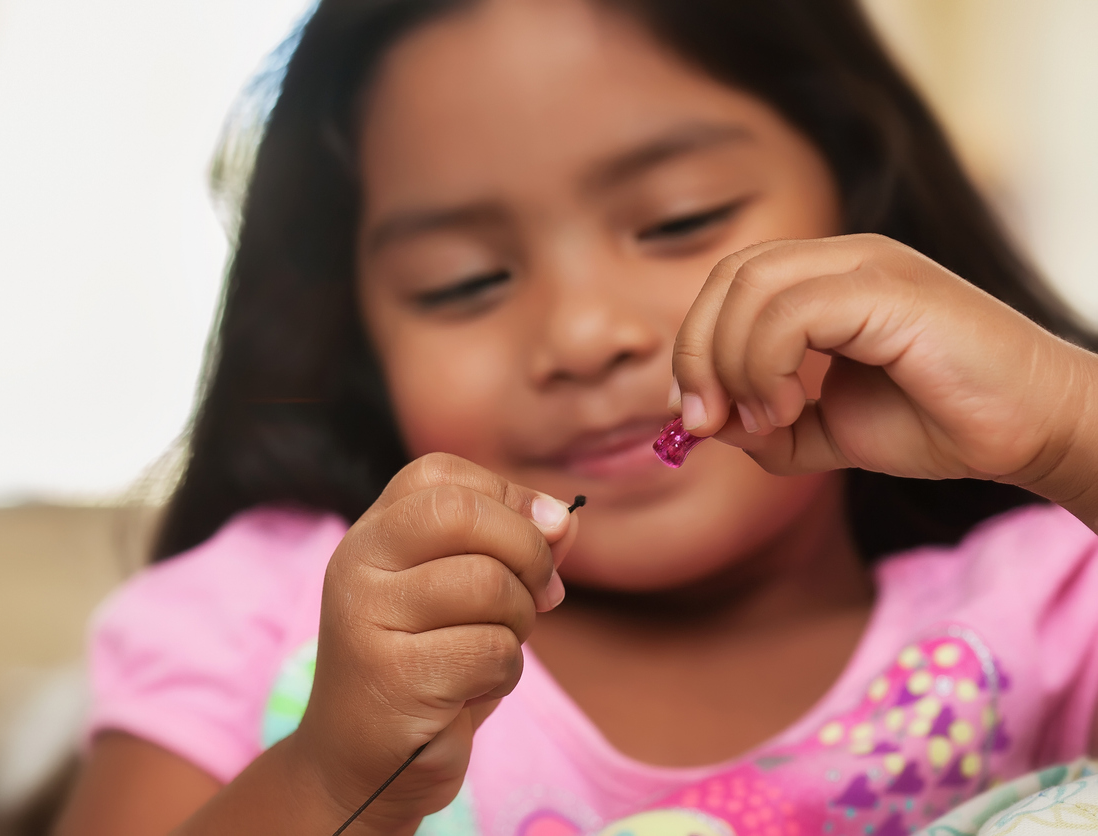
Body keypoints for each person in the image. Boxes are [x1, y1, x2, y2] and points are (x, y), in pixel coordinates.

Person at [54, 1, 1098, 834]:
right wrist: (332, 778)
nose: (585, 332)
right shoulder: (263, 616)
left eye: (681, 218)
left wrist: (1064, 421)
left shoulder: (1056, 605)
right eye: (462, 283)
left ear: (864, 208)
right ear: (361, 344)